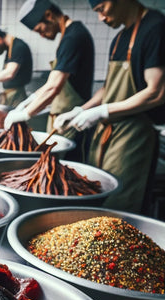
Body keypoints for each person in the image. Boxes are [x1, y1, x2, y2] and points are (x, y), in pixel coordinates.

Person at [55, 0, 165, 213]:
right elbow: (108, 88)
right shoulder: (119, 39)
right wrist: (82, 109)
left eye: (102, 9)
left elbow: (156, 93)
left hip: (134, 139)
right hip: (108, 135)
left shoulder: (155, 27)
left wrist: (104, 111)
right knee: (97, 194)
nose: (101, 18)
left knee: (120, 204)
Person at [5, 0, 94, 163]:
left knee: (66, 173)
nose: (41, 35)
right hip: (61, 121)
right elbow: (51, 83)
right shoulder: (67, 35)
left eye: (40, 29)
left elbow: (54, 87)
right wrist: (27, 102)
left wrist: (26, 114)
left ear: (48, 15)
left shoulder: (73, 36)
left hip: (72, 123)